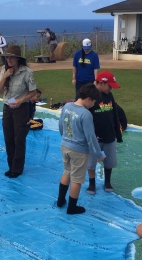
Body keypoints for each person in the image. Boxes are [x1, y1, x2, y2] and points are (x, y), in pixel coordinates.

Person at [57, 84, 103, 215]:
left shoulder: (67, 106)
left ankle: (60, 200)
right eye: (94, 101)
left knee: (67, 172)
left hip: (65, 145)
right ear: (89, 98)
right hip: (79, 150)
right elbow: (90, 137)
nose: (93, 104)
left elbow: (61, 125)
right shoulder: (86, 114)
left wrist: (65, 139)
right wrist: (98, 154)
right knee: (77, 179)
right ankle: (72, 208)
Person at [0, 45, 37, 178]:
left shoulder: (27, 72)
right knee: (8, 138)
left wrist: (20, 100)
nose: (9, 60)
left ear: (18, 59)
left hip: (21, 109)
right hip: (7, 109)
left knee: (19, 138)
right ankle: (10, 166)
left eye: (11, 57)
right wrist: (6, 76)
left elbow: (33, 92)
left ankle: (17, 168)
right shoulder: (4, 70)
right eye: (7, 57)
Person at [86, 71, 122, 194]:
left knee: (110, 160)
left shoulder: (110, 96)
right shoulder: (90, 96)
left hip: (109, 135)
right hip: (94, 137)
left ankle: (107, 181)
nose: (111, 88)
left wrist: (117, 133)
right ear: (101, 83)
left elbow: (115, 114)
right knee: (91, 162)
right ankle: (92, 183)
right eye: (109, 85)